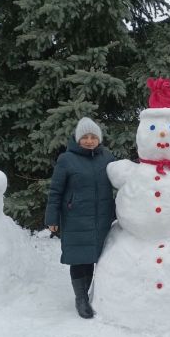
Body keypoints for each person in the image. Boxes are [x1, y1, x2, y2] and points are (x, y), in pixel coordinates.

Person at [45, 117, 116, 319]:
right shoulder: (66, 159)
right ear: (78, 139)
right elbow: (56, 191)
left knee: (94, 257)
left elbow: (121, 177)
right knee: (79, 259)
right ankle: (81, 299)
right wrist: (52, 218)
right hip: (75, 217)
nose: (89, 140)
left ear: (99, 139)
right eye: (85, 137)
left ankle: (87, 294)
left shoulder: (107, 158)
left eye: (93, 136)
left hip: (101, 218)